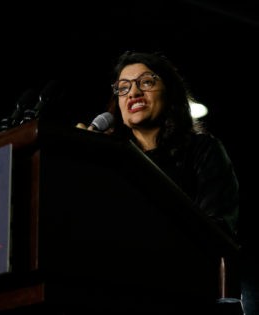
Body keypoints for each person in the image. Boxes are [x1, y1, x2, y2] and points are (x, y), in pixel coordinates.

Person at [76, 51, 244, 313]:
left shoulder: (203, 151)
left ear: (169, 93)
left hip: (185, 296)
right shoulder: (109, 161)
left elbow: (218, 230)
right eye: (123, 87)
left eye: (146, 82)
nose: (133, 93)